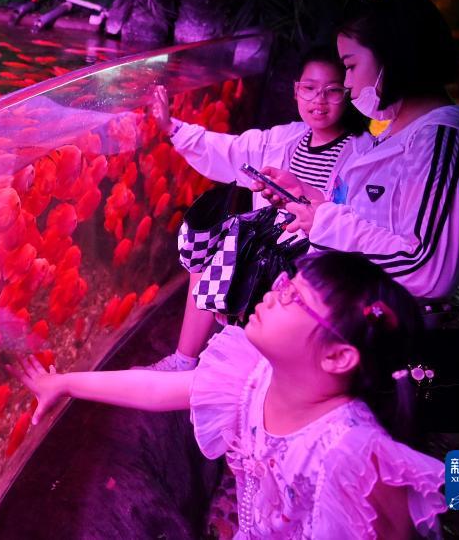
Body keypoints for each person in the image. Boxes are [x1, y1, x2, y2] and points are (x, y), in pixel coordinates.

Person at [13, 252, 446, 539]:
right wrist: (65, 383)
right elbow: (156, 388)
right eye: (287, 282)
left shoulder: (349, 453)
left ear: (337, 357)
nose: (275, 291)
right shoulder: (253, 380)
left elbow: (404, 522)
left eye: (294, 297)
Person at [260, 0, 459, 303]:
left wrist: (324, 222)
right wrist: (308, 197)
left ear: (392, 55)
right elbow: (374, 221)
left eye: (350, 66)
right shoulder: (399, 133)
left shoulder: (444, 140)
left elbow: (427, 270)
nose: (348, 83)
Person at [145, 46, 369, 370]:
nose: (319, 100)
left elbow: (356, 219)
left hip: (312, 263)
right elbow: (226, 149)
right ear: (296, 90)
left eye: (332, 91)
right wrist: (171, 127)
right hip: (264, 250)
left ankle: (223, 369)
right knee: (211, 246)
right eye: (309, 88)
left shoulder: (362, 154)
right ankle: (184, 361)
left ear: (348, 93)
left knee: (235, 253)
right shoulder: (283, 139)